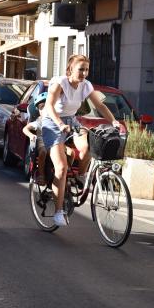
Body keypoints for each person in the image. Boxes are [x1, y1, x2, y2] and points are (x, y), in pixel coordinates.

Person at [42, 54, 121, 226]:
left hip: (71, 120)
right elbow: (49, 106)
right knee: (61, 168)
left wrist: (113, 120)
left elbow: (100, 105)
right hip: (52, 123)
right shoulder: (60, 83)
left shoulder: (85, 85)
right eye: (81, 69)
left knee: (89, 146)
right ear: (71, 69)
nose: (84, 73)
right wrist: (60, 124)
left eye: (86, 69)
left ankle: (81, 175)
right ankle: (58, 212)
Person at [23, 92, 48, 186]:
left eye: (46, 106)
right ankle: (41, 174)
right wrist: (31, 135)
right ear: (39, 110)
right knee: (43, 152)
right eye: (41, 107)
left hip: (55, 141)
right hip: (43, 141)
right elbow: (25, 129)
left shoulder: (57, 119)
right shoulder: (39, 121)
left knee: (71, 153)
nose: (45, 109)